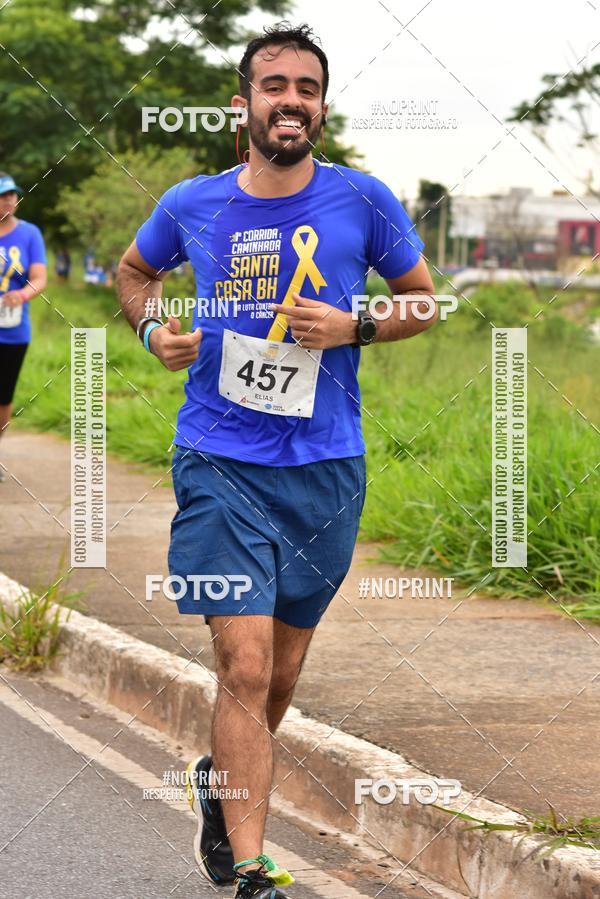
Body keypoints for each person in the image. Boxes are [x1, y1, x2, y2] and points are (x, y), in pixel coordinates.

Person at [117, 23, 436, 898]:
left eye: (306, 87)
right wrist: (152, 329)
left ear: (320, 107)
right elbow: (134, 271)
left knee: (282, 672)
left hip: (326, 468)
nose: (290, 99)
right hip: (219, 459)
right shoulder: (192, 203)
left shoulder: (363, 201)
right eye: (274, 84)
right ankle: (254, 869)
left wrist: (356, 325)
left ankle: (221, 789)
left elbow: (424, 301)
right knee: (245, 666)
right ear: (244, 103)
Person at [0, 172, 47, 482]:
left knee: (3, 397)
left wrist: (23, 294)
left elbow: (40, 278)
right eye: (2, 196)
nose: (8, 200)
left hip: (14, 331)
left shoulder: (30, 233)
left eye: (12, 195)